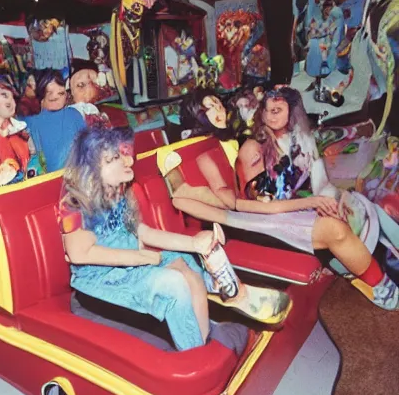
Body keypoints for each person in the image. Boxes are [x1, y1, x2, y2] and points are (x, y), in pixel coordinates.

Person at [171, 87, 398, 310]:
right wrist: (309, 202)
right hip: (251, 220)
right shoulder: (215, 152)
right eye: (210, 108)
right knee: (335, 228)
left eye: (218, 103)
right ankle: (384, 290)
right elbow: (240, 202)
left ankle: (372, 271)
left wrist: (323, 198)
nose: (219, 110)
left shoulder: (238, 141)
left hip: (271, 210)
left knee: (365, 203)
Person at [58, 126, 245, 351]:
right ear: (93, 170)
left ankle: (200, 343)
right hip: (99, 282)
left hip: (131, 266)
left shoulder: (120, 194)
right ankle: (194, 354)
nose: (127, 160)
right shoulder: (76, 204)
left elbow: (143, 232)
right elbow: (80, 254)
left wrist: (194, 243)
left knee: (188, 266)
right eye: (116, 158)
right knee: (174, 284)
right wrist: (141, 258)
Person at [24, 70, 86, 172]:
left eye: (60, 93)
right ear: (40, 97)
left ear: (66, 94)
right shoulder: (30, 121)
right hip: (48, 179)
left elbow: (87, 145)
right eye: (49, 92)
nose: (55, 96)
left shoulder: (74, 114)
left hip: (77, 174)